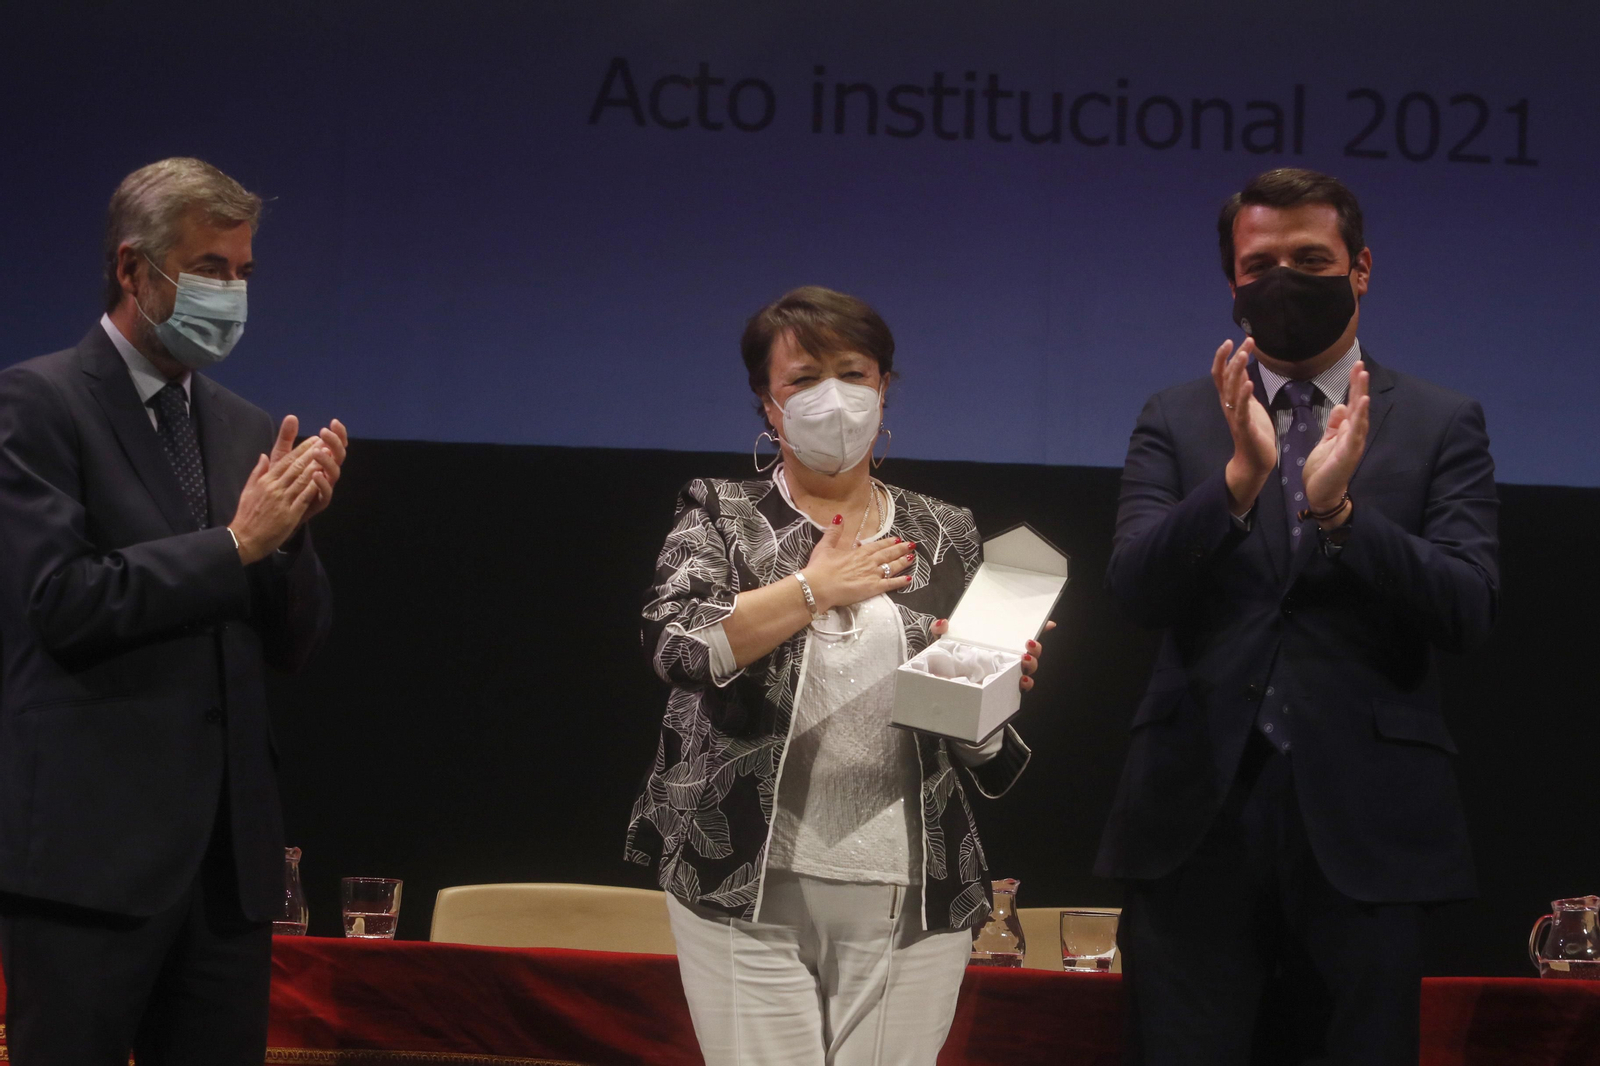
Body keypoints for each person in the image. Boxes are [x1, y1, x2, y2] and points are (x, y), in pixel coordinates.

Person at [1095, 168, 1498, 1064]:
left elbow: (1468, 606)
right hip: (1195, 811)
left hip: (1367, 821)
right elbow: (1134, 590)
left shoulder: (1439, 421)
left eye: (1309, 259)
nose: (1283, 280)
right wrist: (1239, 481)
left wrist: (1342, 515)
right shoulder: (1176, 415)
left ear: (1359, 269)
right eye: (1259, 263)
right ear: (1233, 281)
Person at [626, 286, 1050, 1066]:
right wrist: (814, 589)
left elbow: (976, 746)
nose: (835, 397)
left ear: (884, 387)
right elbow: (677, 648)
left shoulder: (944, 531)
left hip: (910, 886)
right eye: (804, 378)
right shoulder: (720, 511)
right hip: (742, 878)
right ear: (768, 403)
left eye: (854, 374)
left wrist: (991, 692)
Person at [0, 157, 345, 1064]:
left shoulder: (242, 425)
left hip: (227, 870)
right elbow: (62, 601)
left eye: (242, 273)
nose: (230, 293)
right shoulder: (37, 404)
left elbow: (297, 642)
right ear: (132, 269)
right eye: (208, 270)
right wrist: (236, 544)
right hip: (92, 862)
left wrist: (294, 534)